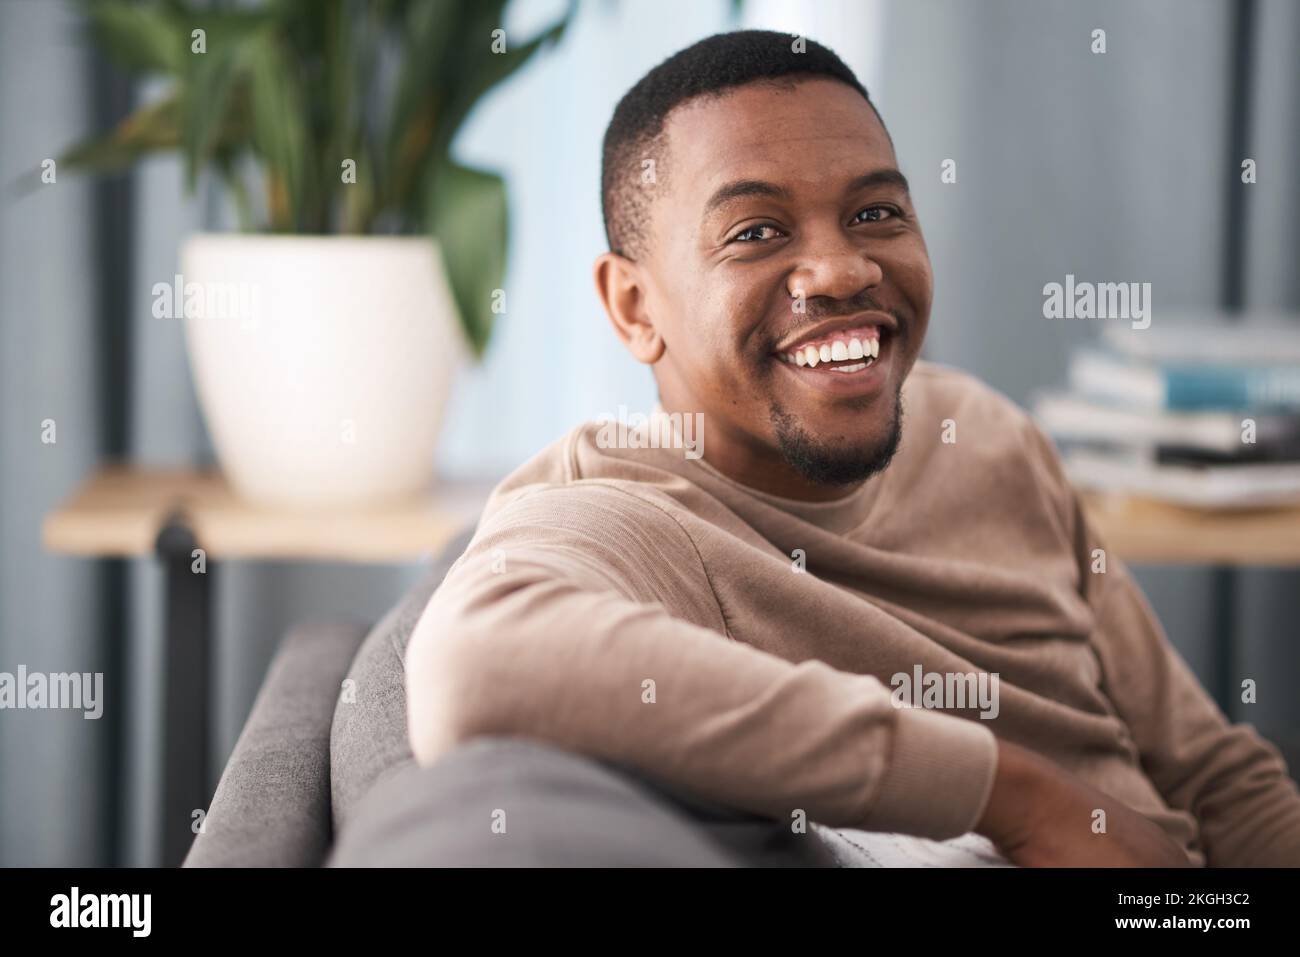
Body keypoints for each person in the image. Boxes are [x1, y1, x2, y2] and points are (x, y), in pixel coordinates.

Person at [403, 30, 1300, 867]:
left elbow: (1212, 773)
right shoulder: (635, 514)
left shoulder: (983, 435)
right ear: (636, 307)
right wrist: (1019, 796)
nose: (842, 270)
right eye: (756, 232)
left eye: (875, 213)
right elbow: (472, 664)